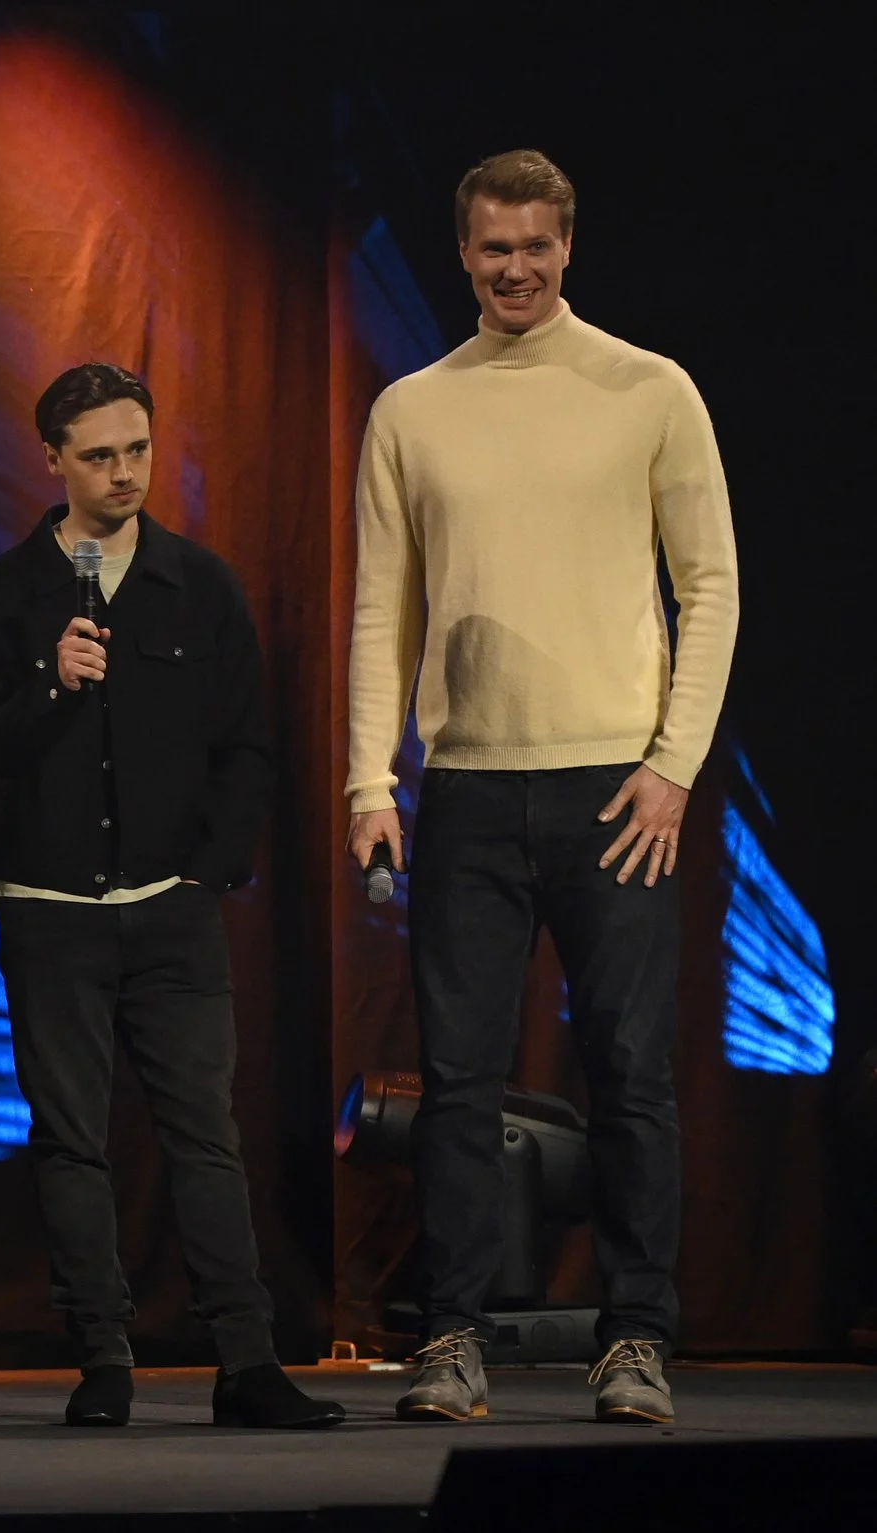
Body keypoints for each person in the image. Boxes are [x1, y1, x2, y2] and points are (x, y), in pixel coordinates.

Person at [347, 151, 738, 1426]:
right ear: (462, 253)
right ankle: (451, 1334)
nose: (513, 269)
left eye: (534, 246)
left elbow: (711, 586)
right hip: (466, 788)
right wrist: (367, 778)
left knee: (630, 1071)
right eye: (492, 248)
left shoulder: (648, 389)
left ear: (567, 246)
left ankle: (636, 1339)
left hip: (615, 792)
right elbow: (380, 612)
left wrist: (672, 765)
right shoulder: (412, 408)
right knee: (456, 1079)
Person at [0, 364, 343, 1431]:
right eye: (98, 456)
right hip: (48, 907)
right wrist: (51, 680)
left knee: (205, 1134)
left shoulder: (199, 585)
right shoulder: (0, 593)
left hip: (172, 907)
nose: (123, 473)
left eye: (137, 450)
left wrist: (207, 871)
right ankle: (102, 1359)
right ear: (51, 460)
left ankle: (246, 1361)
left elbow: (247, 746)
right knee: (70, 1139)